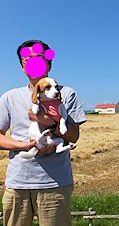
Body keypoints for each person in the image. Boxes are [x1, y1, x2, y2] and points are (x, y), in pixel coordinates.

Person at [0, 40, 86, 226]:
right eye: (27, 59)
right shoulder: (9, 97)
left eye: (38, 57)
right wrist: (23, 146)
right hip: (18, 183)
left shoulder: (67, 93)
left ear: (49, 62)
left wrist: (47, 122)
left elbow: (74, 136)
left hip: (54, 184)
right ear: (22, 67)